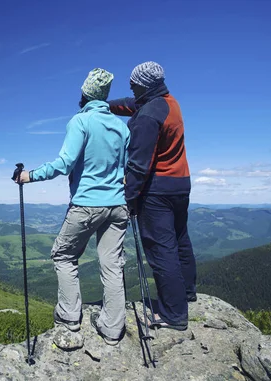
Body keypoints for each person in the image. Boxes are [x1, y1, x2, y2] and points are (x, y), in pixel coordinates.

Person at [15, 68, 130, 345]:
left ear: (85, 93)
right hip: (118, 205)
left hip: (87, 204)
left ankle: (69, 316)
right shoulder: (122, 127)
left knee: (63, 255)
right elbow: (125, 169)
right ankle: (113, 329)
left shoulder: (80, 121)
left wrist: (29, 175)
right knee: (112, 265)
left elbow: (64, 163)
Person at [107, 61, 197, 331]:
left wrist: (130, 197)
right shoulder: (168, 103)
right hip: (180, 183)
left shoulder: (147, 116)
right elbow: (129, 104)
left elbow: (138, 163)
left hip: (157, 188)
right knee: (180, 238)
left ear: (143, 85)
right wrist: (104, 104)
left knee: (161, 250)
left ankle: (173, 314)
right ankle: (187, 292)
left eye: (133, 85)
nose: (131, 90)